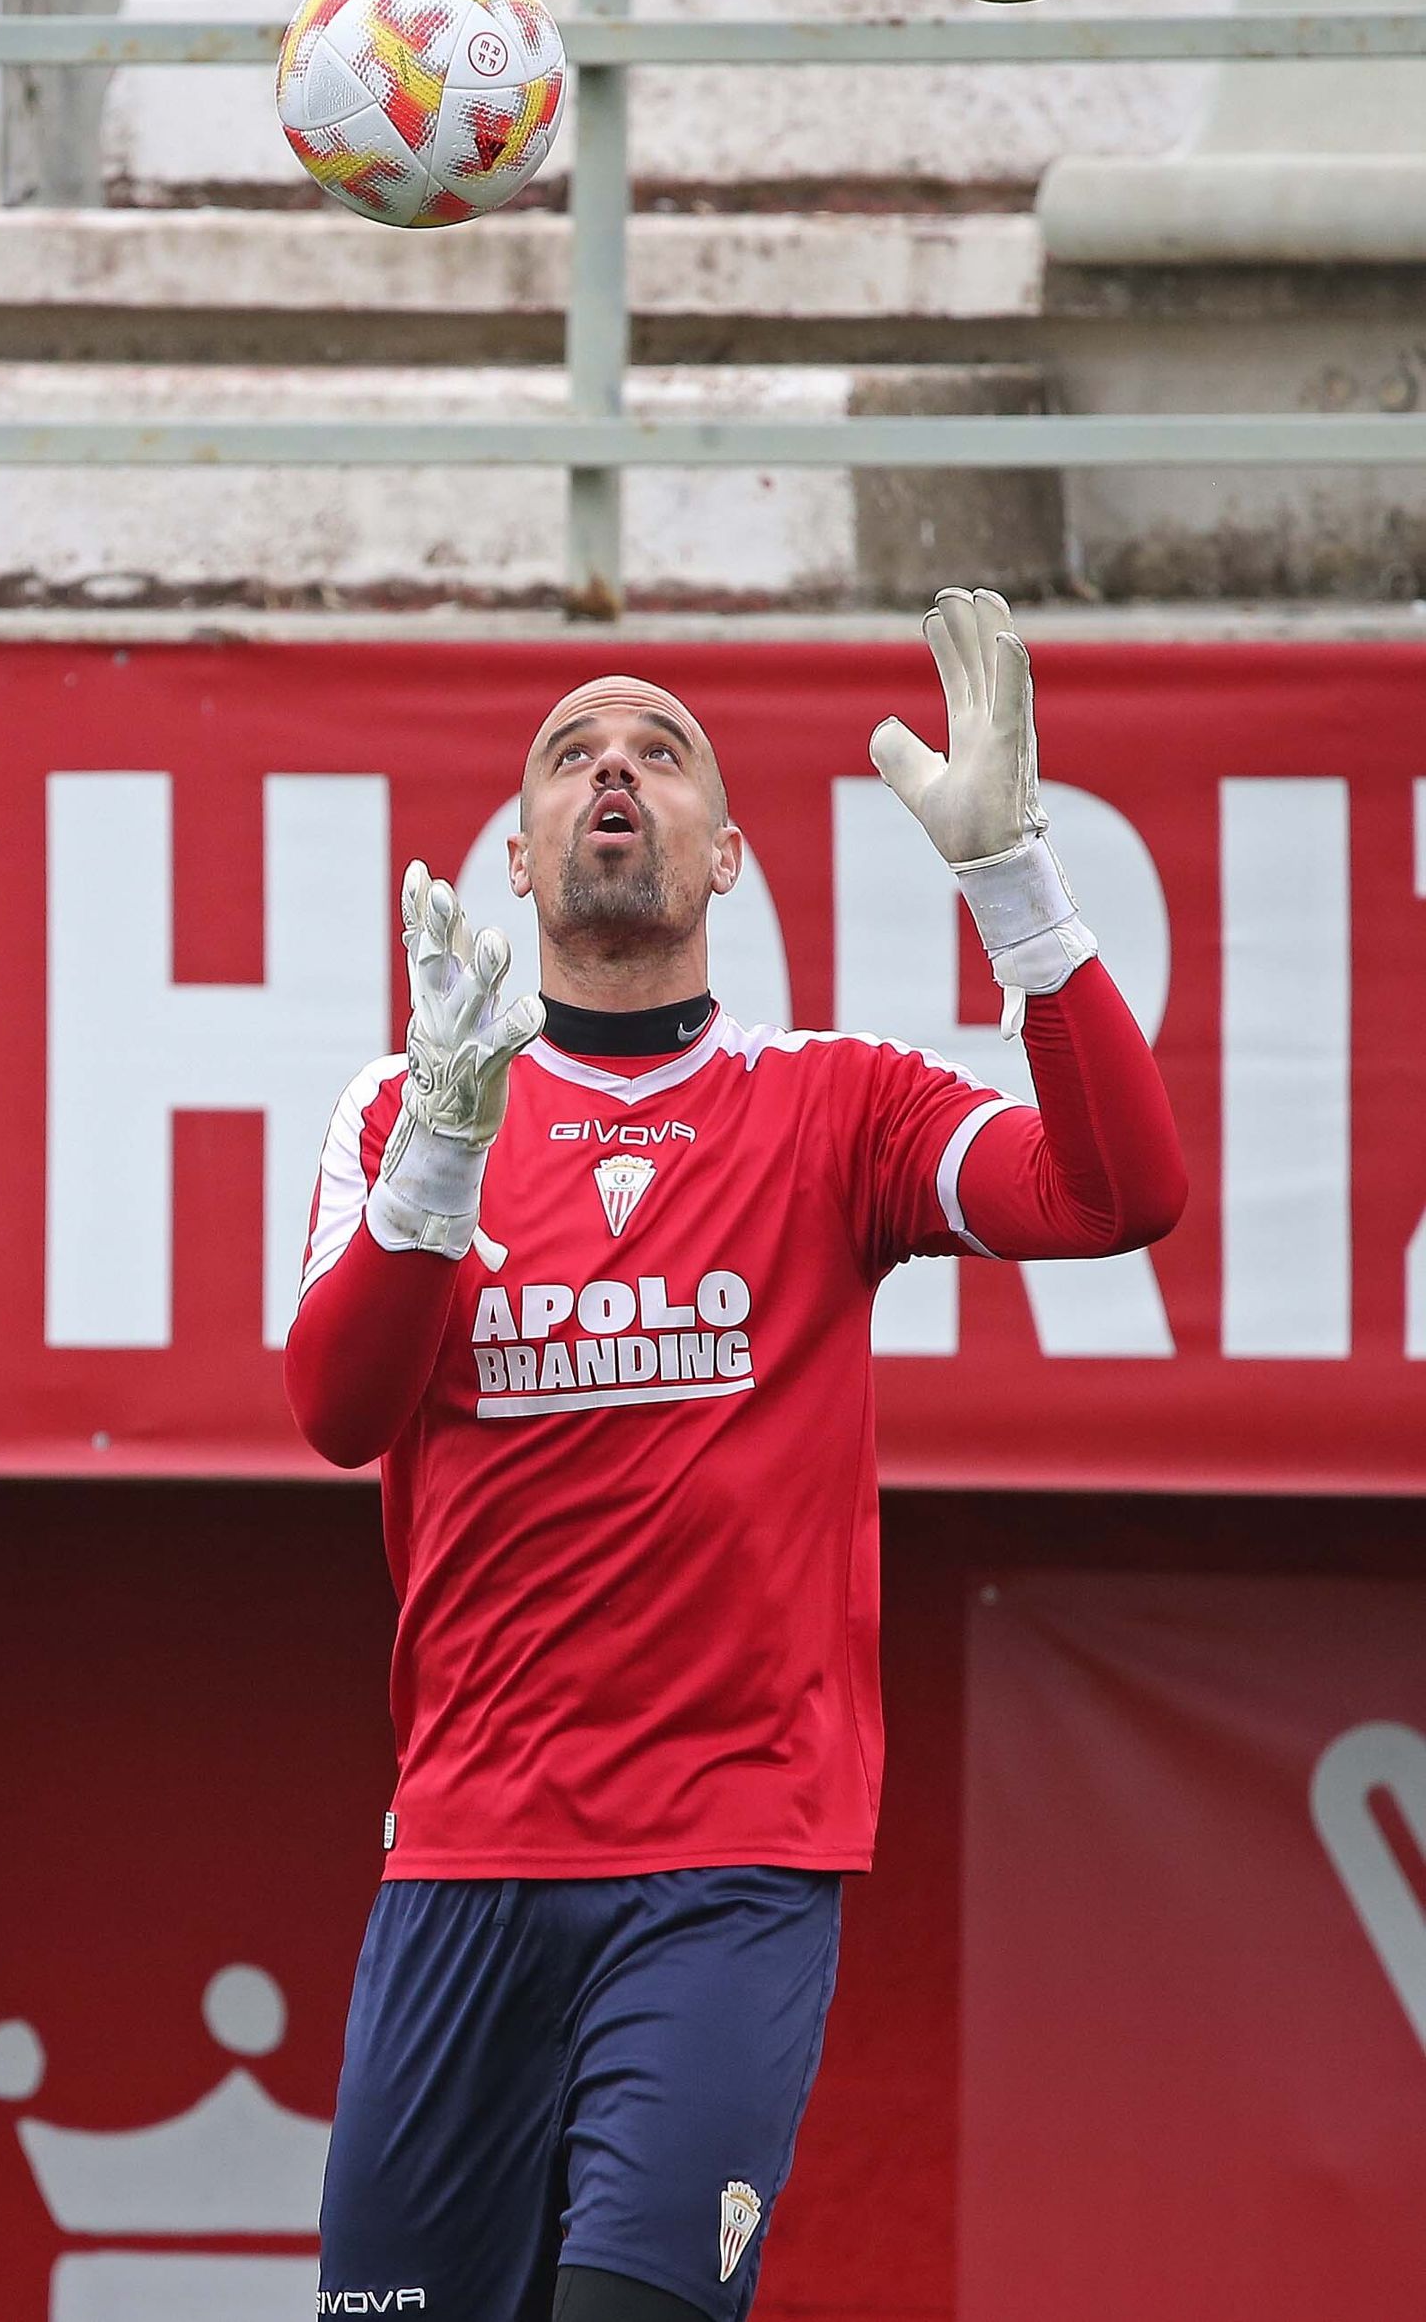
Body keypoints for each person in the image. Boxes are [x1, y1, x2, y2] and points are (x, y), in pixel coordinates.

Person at [285, 589, 1186, 2322]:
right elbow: (337, 1412)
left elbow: (1117, 1192)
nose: (614, 769)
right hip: (463, 1857)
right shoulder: (401, 1111)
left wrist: (1018, 887)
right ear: (516, 856)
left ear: (728, 858)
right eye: (571, 753)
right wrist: (446, 1155)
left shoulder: (836, 1105)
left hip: (725, 1866)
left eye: (662, 751)